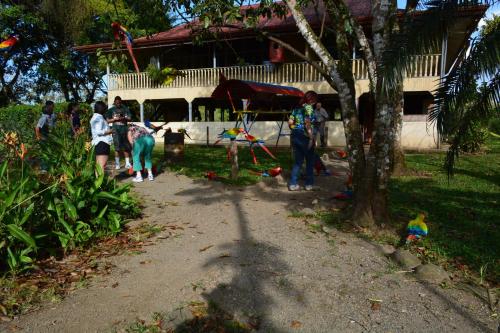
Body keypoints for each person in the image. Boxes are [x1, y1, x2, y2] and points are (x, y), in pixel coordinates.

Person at [288, 90, 318, 191]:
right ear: (312, 99)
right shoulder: (309, 108)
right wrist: (311, 137)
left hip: (295, 135)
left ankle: (293, 184)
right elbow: (307, 123)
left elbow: (290, 122)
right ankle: (309, 184)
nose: (315, 102)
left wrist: (295, 129)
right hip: (305, 136)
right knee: (309, 161)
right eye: (315, 100)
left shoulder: (296, 108)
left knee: (298, 162)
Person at [106, 96, 132, 170]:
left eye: (119, 102)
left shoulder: (125, 108)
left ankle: (127, 163)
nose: (118, 104)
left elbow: (130, 118)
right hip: (116, 131)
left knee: (126, 147)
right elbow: (107, 120)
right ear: (114, 102)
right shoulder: (111, 110)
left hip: (124, 130)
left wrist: (124, 118)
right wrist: (114, 119)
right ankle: (117, 164)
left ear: (121, 102)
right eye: (116, 103)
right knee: (117, 148)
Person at [90, 101, 113, 172]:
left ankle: (100, 181)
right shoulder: (98, 118)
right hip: (102, 143)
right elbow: (99, 131)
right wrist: (111, 131)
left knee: (99, 166)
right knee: (101, 166)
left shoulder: (97, 117)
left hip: (100, 143)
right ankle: (101, 182)